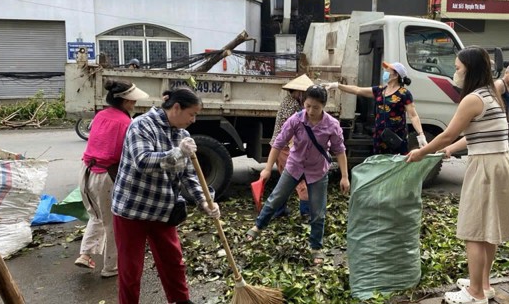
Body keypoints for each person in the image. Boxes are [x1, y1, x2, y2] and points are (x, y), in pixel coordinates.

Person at [406, 46, 509, 304]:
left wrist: (422, 152)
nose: (455, 73)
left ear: (470, 69)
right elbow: (477, 134)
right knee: (490, 229)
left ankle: (475, 293)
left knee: (474, 229)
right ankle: (484, 284)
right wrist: (448, 151)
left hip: (486, 167)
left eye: (457, 68)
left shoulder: (472, 99)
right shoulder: (492, 93)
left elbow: (447, 133)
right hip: (500, 162)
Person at [111, 88, 221, 304]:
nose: (193, 120)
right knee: (131, 269)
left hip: (162, 209)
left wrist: (205, 201)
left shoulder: (183, 135)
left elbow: (190, 174)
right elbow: (143, 161)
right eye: (192, 114)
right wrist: (178, 152)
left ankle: (181, 301)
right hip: (132, 210)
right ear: (176, 108)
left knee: (173, 261)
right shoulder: (141, 125)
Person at [245, 85, 350, 266]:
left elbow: (340, 151)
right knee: (275, 198)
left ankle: (316, 248)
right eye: (307, 106)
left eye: (315, 107)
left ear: (324, 105)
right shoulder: (296, 119)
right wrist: (268, 168)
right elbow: (278, 143)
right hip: (294, 166)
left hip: (317, 171)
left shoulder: (331, 125)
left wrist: (344, 176)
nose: (310, 111)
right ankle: (257, 226)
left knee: (318, 212)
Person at [74, 80, 149, 278]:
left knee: (96, 215)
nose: (134, 105)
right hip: (104, 176)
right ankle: (110, 268)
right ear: (124, 102)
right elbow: (130, 154)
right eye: (132, 102)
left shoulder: (100, 116)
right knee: (114, 223)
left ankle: (86, 254)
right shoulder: (126, 123)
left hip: (86, 171)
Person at [323, 61, 427, 154]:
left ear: (395, 75)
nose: (385, 72)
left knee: (396, 167)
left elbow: (413, 116)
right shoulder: (380, 90)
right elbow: (357, 90)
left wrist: (421, 135)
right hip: (380, 136)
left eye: (388, 70)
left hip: (396, 137)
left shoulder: (404, 93)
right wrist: (337, 85)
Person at [270, 74, 313, 217]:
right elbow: (292, 131)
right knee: (300, 181)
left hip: (280, 146)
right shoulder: (292, 105)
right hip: (285, 147)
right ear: (299, 92)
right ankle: (306, 213)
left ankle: (279, 209)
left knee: (285, 181)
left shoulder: (291, 101)